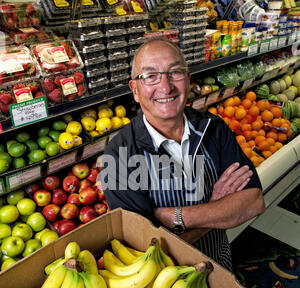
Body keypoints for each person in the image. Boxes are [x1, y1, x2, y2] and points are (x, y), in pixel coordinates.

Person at [100, 37, 265, 271]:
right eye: (150, 76)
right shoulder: (119, 155)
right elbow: (143, 250)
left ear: (188, 80)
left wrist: (174, 217)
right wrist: (216, 208)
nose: (165, 87)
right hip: (164, 286)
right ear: (135, 90)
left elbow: (253, 202)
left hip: (219, 266)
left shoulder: (213, 128)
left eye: (175, 72)